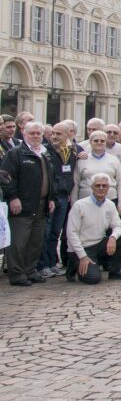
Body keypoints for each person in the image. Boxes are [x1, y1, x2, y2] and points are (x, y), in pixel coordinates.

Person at [1, 122, 55, 286]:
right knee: (19, 242)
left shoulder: (45, 153)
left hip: (41, 204)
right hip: (22, 205)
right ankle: (17, 274)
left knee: (35, 241)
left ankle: (30, 270)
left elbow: (51, 178)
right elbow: (5, 177)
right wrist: (12, 197)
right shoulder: (15, 153)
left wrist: (51, 198)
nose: (35, 136)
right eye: (32, 133)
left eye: (38, 133)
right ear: (24, 134)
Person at [65, 173, 121, 283]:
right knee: (93, 279)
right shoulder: (79, 205)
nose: (101, 188)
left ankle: (115, 271)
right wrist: (82, 256)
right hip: (83, 247)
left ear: (108, 188)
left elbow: (118, 226)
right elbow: (71, 234)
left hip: (99, 244)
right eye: (98, 185)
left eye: (104, 186)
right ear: (92, 187)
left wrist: (113, 237)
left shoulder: (110, 205)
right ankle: (74, 264)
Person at [38, 121, 81, 278]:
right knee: (46, 232)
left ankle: (51, 263)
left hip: (64, 197)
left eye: (58, 134)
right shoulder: (46, 151)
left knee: (55, 232)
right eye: (53, 133)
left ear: (68, 135)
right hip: (51, 198)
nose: (54, 136)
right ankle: (42, 265)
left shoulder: (70, 150)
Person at [73, 130, 121, 216]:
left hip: (110, 200)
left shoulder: (114, 160)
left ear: (105, 142)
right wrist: (74, 204)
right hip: (86, 201)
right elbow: (75, 184)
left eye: (102, 141)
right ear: (90, 142)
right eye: (96, 140)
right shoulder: (82, 161)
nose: (99, 142)